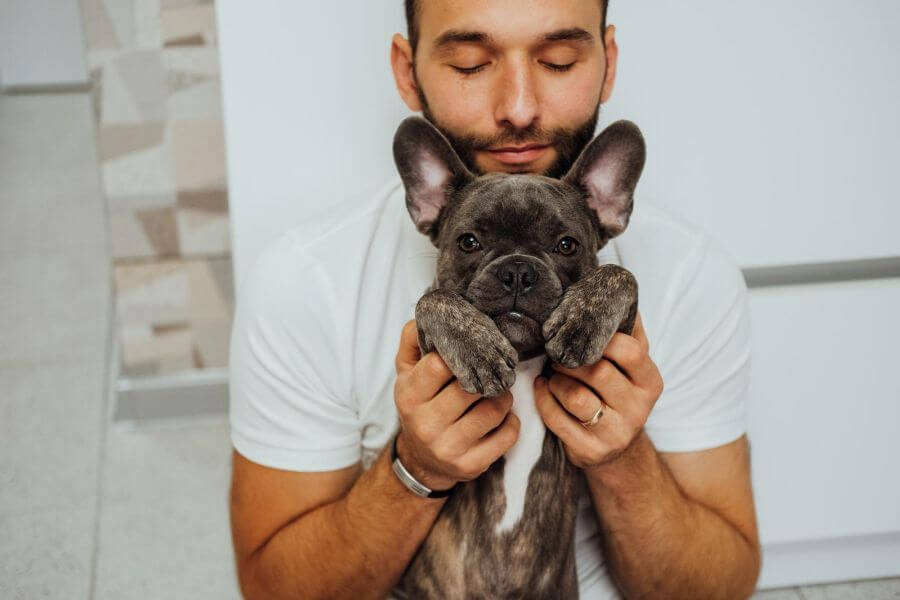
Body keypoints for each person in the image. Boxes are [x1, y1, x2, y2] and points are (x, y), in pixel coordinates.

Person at [227, 1, 762, 598]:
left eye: (558, 61)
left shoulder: (693, 275)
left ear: (608, 63)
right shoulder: (305, 282)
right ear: (408, 72)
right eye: (469, 64)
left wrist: (621, 456)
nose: (519, 107)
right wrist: (416, 469)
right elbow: (273, 589)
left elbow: (723, 584)